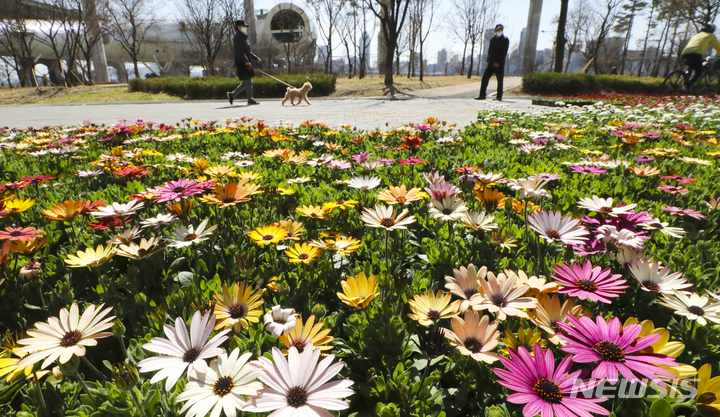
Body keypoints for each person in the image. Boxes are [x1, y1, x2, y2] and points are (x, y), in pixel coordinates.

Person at [227, 19, 261, 106]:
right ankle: (250, 99)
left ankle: (232, 95)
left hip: (246, 62)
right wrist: (246, 61)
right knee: (248, 82)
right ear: (238, 26)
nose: (245, 28)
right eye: (243, 26)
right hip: (242, 63)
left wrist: (255, 58)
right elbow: (240, 52)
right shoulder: (238, 37)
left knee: (245, 82)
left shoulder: (243, 37)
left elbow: (248, 51)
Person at [475, 24, 509, 101]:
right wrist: (489, 61)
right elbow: (490, 51)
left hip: (499, 64)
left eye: (501, 29)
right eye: (498, 29)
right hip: (491, 64)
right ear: (495, 30)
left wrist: (498, 62)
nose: (499, 31)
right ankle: (482, 95)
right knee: (484, 79)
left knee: (500, 81)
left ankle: (499, 97)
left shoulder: (505, 39)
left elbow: (504, 52)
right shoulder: (493, 40)